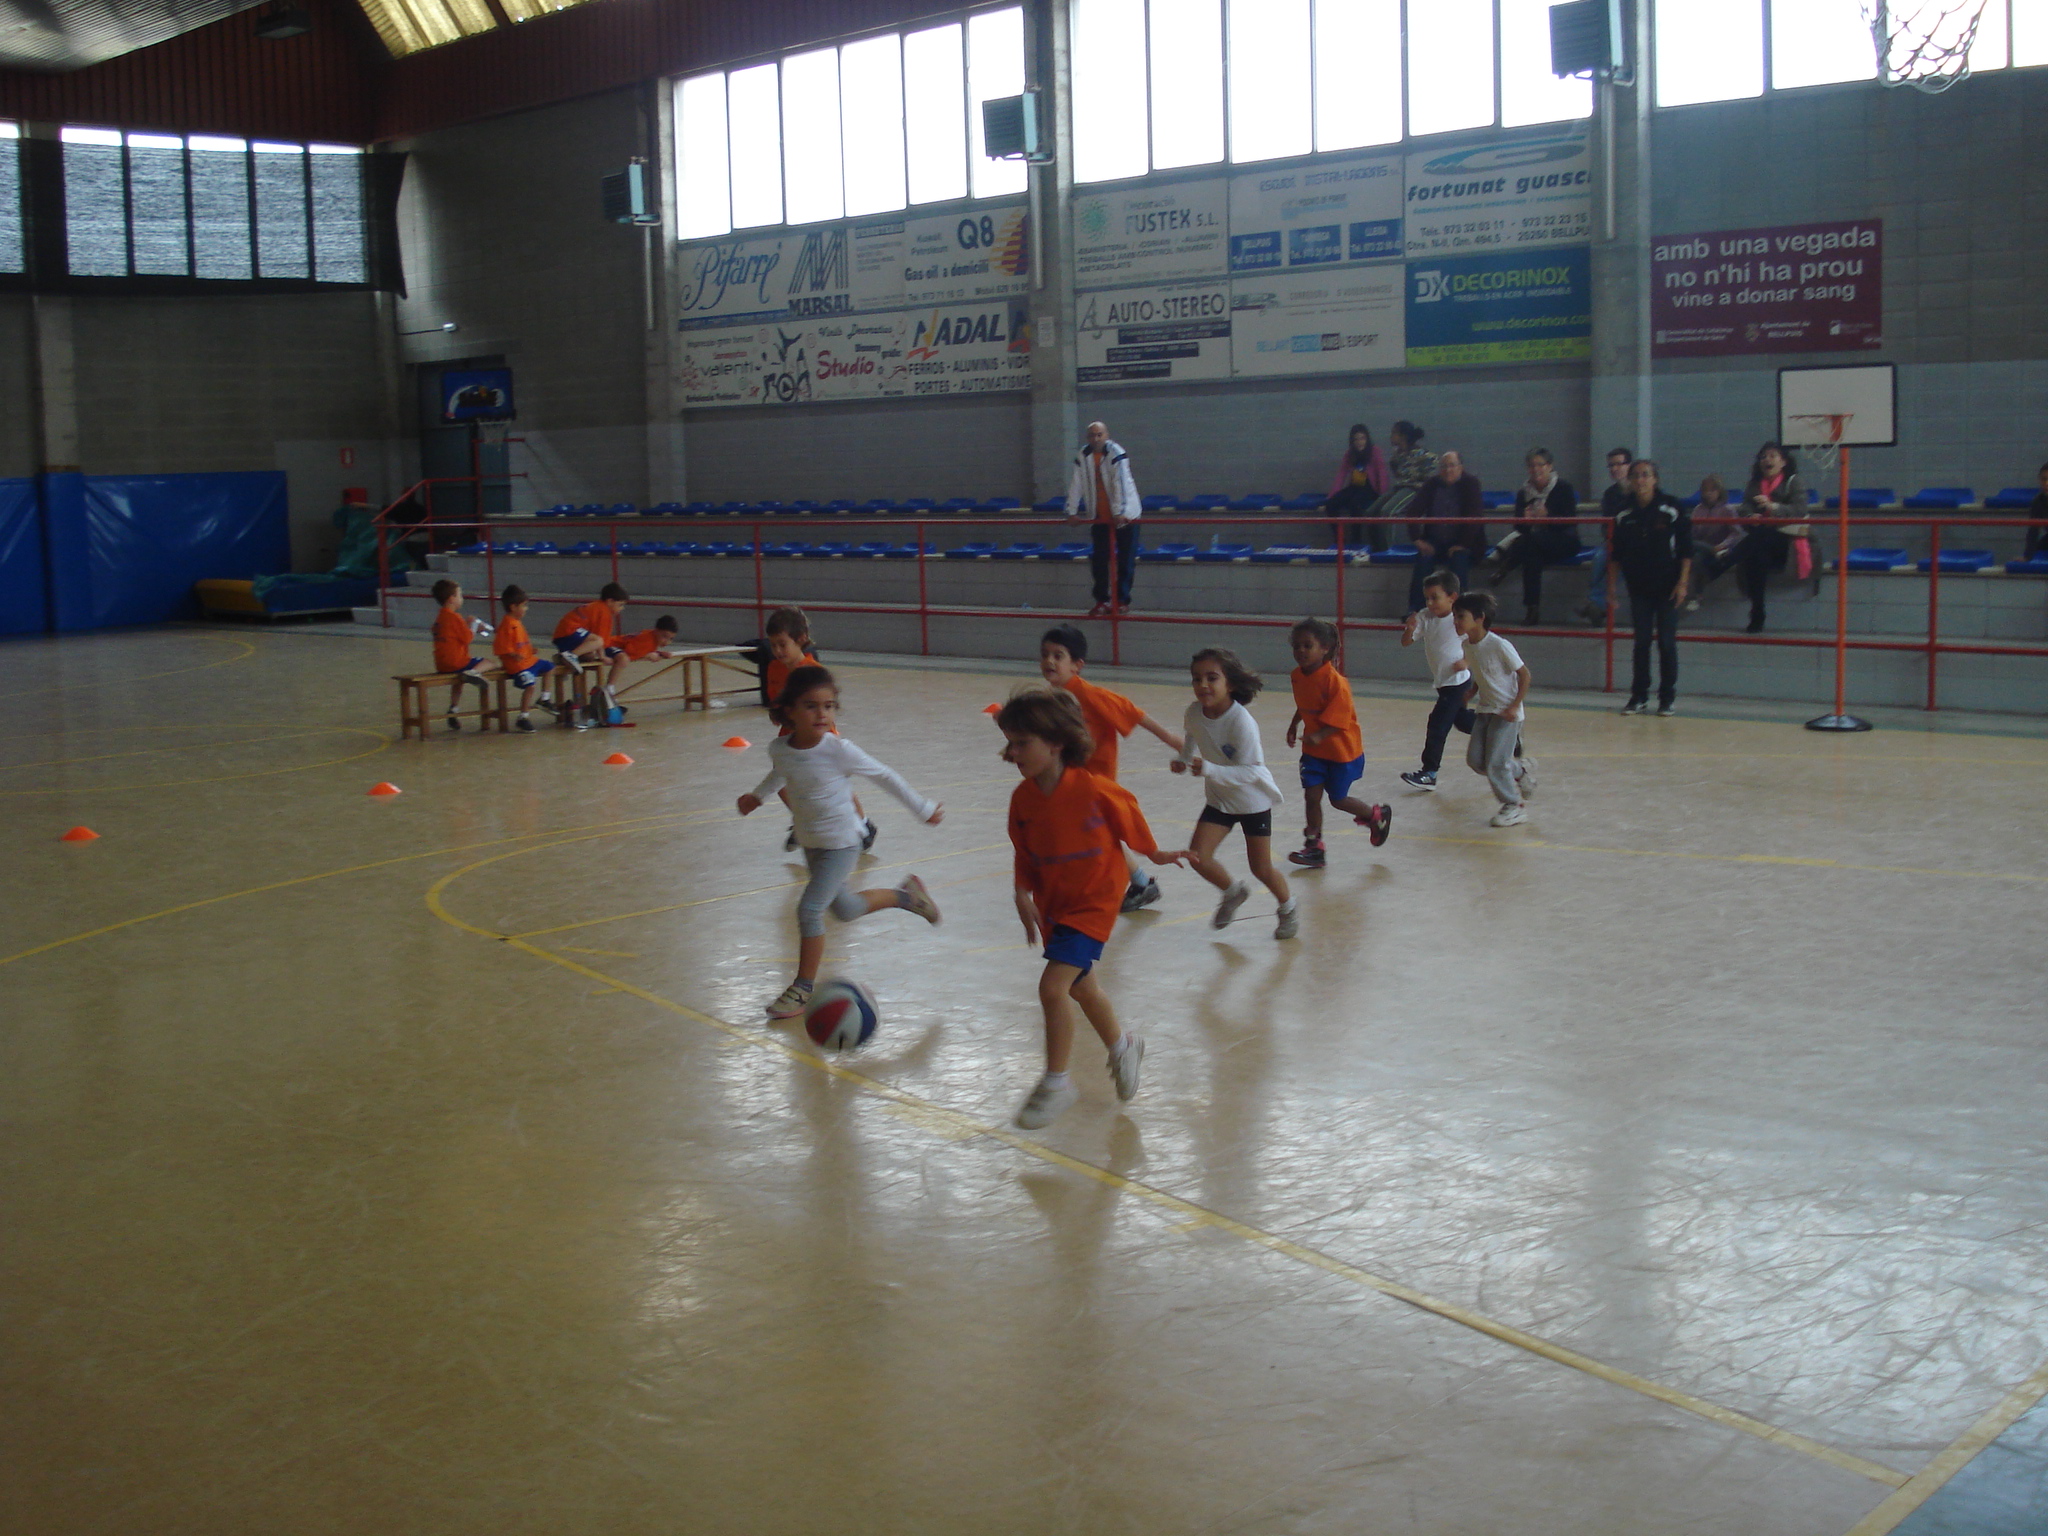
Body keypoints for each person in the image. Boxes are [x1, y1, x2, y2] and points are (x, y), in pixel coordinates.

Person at [999, 688, 1186, 1131]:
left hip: (1095, 900)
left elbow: (1130, 817)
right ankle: (1123, 1045)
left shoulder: (1094, 790)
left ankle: (1057, 1080)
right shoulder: (1022, 800)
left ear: (1056, 743)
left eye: (1022, 742)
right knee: (1082, 988)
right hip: (1055, 902)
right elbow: (1024, 852)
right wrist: (1022, 891)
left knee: (1052, 988)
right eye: (1011, 742)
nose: (1012, 752)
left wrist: (1154, 853)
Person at [737, 665, 944, 1021]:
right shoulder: (781, 748)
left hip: (844, 843)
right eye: (811, 706)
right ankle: (908, 896)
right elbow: (781, 772)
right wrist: (757, 797)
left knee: (809, 910)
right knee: (844, 909)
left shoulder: (839, 750)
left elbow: (884, 775)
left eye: (829, 706)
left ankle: (802, 988)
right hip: (812, 843)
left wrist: (922, 807)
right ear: (789, 710)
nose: (822, 714)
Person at [1036, 624, 1184, 912]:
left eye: (1058, 655)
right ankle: (1140, 883)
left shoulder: (1090, 695)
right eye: (1045, 655)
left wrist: (1171, 739)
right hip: (1071, 780)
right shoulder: (1050, 697)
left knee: (1089, 834)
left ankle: (1097, 887)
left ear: (1077, 665)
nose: (1050, 661)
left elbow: (1133, 712)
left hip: (1095, 780)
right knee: (1100, 834)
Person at [1173, 648, 1298, 940]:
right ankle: (1233, 892)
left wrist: (1210, 770)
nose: (1203, 685)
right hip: (1220, 800)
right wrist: (1183, 756)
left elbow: (1252, 772)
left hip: (1252, 802)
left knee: (1262, 868)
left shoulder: (1241, 722)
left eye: (1211, 678)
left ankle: (1288, 908)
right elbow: (1192, 733)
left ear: (1230, 683)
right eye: (1196, 679)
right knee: (1197, 856)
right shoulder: (1193, 712)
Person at [763, 607, 873, 854]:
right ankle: (804, 822)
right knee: (783, 783)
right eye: (773, 645)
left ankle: (863, 825)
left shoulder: (812, 672)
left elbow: (825, 705)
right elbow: (777, 701)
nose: (778, 651)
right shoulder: (774, 668)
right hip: (790, 732)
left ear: (800, 640)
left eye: (783, 644)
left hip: (819, 733)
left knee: (832, 781)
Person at [1283, 617, 1391, 868]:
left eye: (1307, 646)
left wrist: (1319, 735)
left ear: (1325, 649)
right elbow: (1305, 704)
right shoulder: (1297, 676)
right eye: (1296, 646)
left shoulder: (1336, 683)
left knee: (1338, 799)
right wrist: (1294, 723)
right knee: (1312, 796)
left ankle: (1375, 816)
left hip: (1341, 752)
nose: (1300, 651)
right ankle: (1314, 846)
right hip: (1313, 753)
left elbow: (1340, 719)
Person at [1612, 459, 1693, 716]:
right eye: (1635, 476)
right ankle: (1639, 696)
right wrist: (1612, 588)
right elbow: (1616, 554)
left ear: (1655, 479)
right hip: (1639, 587)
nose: (1640, 480)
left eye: (1645, 475)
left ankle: (1667, 697)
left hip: (1668, 586)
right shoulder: (1624, 512)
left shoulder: (1671, 507)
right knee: (1641, 642)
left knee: (1666, 643)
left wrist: (1682, 583)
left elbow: (1686, 549)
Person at [1452, 591, 1536, 827]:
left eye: (1460, 616)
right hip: (1485, 710)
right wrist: (1473, 691)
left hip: (1507, 714)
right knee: (1477, 761)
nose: (1456, 621)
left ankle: (1514, 806)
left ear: (1479, 618)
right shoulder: (1468, 646)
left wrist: (1514, 706)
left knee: (1496, 764)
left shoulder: (1499, 645)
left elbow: (1524, 675)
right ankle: (1519, 770)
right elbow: (1483, 671)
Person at [1398, 569, 1474, 790]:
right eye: (1427, 598)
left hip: (1458, 682)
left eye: (1435, 598)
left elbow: (1477, 643)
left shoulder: (1460, 618)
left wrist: (1467, 662)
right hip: (1443, 683)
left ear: (1452, 597)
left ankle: (1429, 772)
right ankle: (1500, 730)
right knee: (1462, 721)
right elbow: (1406, 642)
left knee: (1437, 725)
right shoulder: (1425, 617)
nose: (1430, 603)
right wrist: (1409, 628)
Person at [1491, 448, 1581, 624]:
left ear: (1550, 466)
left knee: (1530, 543)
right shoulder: (1523, 493)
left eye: (1540, 464)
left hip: (1563, 540)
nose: (1536, 469)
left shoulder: (1563, 488)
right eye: (1531, 465)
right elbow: (1519, 527)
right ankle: (1532, 609)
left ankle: (1508, 565)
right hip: (1535, 543)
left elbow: (1571, 522)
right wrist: (1526, 520)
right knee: (1532, 556)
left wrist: (1547, 516)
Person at [1064, 420, 1142, 617]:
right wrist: (1071, 511)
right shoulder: (1083, 455)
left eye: (1099, 434)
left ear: (1107, 435)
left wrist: (1121, 512)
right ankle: (1102, 600)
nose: (1095, 439)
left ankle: (1121, 601)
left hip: (1127, 517)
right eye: (1092, 435)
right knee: (1099, 560)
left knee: (1125, 560)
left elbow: (1121, 483)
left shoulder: (1116, 453)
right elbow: (1076, 483)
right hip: (1099, 517)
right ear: (1087, 438)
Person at [1732, 442, 1809, 633]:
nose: (1767, 460)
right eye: (1764, 456)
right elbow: (1744, 507)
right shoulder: (1754, 484)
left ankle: (1728, 558)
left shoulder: (1793, 481)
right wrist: (1751, 516)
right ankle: (1758, 611)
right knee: (1755, 558)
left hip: (1786, 539)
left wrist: (1773, 507)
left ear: (1783, 462)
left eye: (1772, 456)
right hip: (1761, 542)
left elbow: (1800, 510)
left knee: (1759, 540)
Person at [1405, 450, 1485, 614]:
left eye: (1452, 466)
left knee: (1459, 560)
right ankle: (1417, 609)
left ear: (1460, 467)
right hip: (1436, 540)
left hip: (1464, 541)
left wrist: (1462, 544)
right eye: (1444, 466)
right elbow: (1412, 511)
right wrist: (1418, 540)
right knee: (1423, 559)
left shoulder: (1471, 483)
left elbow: (1474, 517)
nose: (1448, 470)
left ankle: (1460, 610)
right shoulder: (1431, 484)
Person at [1578, 447, 1635, 625]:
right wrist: (1611, 540)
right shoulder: (1610, 494)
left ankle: (1594, 603)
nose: (1615, 469)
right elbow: (1606, 524)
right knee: (1600, 558)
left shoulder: (1638, 491)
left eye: (1619, 464)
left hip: (1635, 543)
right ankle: (1597, 605)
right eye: (1611, 465)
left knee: (1617, 562)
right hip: (1614, 541)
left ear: (1629, 466)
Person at [429, 578, 492, 732]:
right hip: (457, 661)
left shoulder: (440, 617)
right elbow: (468, 638)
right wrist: (473, 625)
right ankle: (474, 672)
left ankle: (453, 709)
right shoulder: (454, 617)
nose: (461, 598)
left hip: (442, 664)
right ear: (452, 599)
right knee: (490, 662)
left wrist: (465, 625)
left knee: (459, 681)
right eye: (460, 595)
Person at [492, 585, 555, 732]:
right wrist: (513, 654)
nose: (526, 609)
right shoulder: (507, 625)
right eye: (524, 606)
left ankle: (545, 698)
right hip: (518, 665)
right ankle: (523, 717)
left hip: (529, 661)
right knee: (530, 686)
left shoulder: (516, 622)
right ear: (513, 607)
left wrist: (530, 650)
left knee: (549, 667)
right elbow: (501, 647)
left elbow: (520, 643)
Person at [1323, 424, 1390, 551]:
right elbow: (1341, 475)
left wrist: (1382, 495)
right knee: (1331, 504)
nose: (1359, 442)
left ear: (1367, 439)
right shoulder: (1349, 454)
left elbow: (1382, 473)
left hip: (1370, 488)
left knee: (1355, 504)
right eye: (1356, 439)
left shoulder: (1375, 451)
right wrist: (1331, 495)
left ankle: (1356, 539)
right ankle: (1339, 538)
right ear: (1352, 441)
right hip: (1355, 486)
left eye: (1362, 438)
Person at [1682, 475, 1741, 612]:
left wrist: (1723, 545)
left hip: (1721, 548)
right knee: (1690, 548)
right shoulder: (1698, 510)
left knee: (1697, 559)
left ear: (1719, 491)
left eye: (1712, 490)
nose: (1708, 493)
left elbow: (1736, 533)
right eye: (1705, 490)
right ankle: (1695, 595)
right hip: (1702, 547)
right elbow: (1693, 534)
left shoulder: (1727, 509)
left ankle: (1696, 596)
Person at [2023, 461, 2048, 560]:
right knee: (2036, 551)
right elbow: (2033, 531)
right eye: (2044, 479)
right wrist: (2027, 557)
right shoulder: (2038, 501)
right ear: (2039, 480)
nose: (2046, 483)